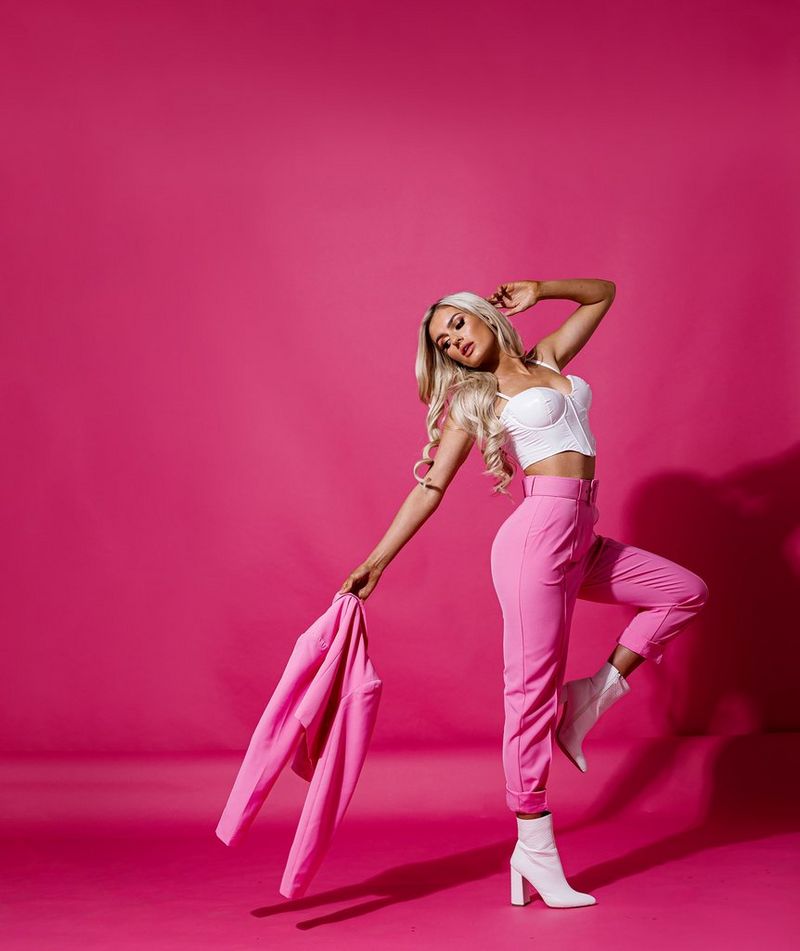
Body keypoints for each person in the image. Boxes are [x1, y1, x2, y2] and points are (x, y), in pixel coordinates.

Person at [338, 278, 709, 908]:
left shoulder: (549, 359)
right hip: (536, 538)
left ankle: (591, 696)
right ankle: (533, 848)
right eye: (442, 341)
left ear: (483, 315)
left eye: (455, 325)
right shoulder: (471, 398)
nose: (452, 342)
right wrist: (377, 560)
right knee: (529, 695)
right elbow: (431, 487)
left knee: (684, 591)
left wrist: (542, 289)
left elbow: (603, 294)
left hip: (581, 532)